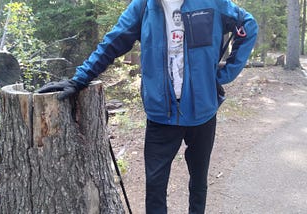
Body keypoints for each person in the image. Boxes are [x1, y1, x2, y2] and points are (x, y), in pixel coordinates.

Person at [37, 0, 258, 213]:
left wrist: (227, 73)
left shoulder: (213, 3)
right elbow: (112, 43)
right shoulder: (143, 6)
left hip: (202, 113)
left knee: (199, 182)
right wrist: (79, 79)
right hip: (161, 115)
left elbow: (247, 25)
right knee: (155, 189)